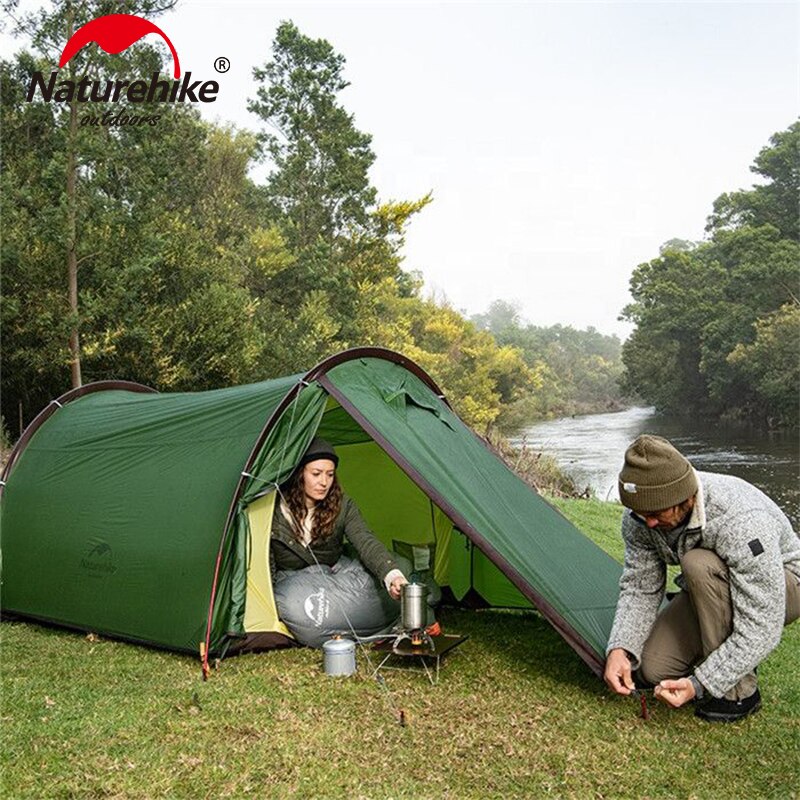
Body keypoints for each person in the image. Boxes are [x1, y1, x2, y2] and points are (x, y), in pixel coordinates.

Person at [604, 434, 800, 722]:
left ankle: (738, 692)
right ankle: (721, 655)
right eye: (640, 513)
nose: (649, 523)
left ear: (686, 498)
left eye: (656, 513)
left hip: (786, 583)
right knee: (653, 669)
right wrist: (621, 649)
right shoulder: (640, 520)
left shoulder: (741, 521)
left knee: (697, 563)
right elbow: (640, 587)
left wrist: (700, 684)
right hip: (714, 585)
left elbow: (763, 623)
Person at [270, 437, 408, 600]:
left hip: (333, 576)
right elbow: (265, 562)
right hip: (291, 584)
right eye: (316, 474)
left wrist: (392, 575)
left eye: (330, 475)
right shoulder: (273, 510)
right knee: (291, 602)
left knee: (398, 569)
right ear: (299, 474)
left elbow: (365, 540)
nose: (324, 482)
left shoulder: (343, 505)